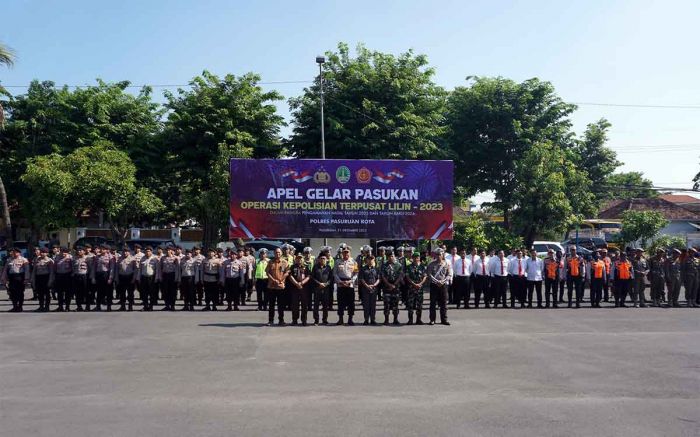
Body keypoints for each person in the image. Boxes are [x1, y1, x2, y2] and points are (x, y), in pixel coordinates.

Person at [1, 247, 30, 312]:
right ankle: (14, 306)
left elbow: (27, 270)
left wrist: (26, 278)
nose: (14, 253)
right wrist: (3, 278)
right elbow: (5, 270)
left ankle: (20, 306)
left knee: (20, 293)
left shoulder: (24, 259)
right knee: (12, 293)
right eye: (14, 252)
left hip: (20, 277)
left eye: (16, 252)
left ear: (19, 253)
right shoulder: (9, 260)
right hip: (12, 278)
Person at [265, 247, 289, 325]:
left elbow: (287, 273)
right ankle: (271, 320)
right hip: (271, 286)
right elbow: (267, 272)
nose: (277, 254)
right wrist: (273, 280)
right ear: (274, 253)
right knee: (271, 305)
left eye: (279, 252)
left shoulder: (285, 262)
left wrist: (281, 280)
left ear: (281, 253)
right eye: (276, 252)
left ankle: (281, 320)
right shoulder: (270, 262)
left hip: (280, 286)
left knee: (281, 305)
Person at [334, 247, 357, 326]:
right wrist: (340, 282)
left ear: (350, 253)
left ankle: (350, 319)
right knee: (340, 303)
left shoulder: (354, 261)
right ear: (342, 253)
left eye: (347, 252)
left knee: (351, 303)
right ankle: (340, 319)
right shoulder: (337, 262)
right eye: (344, 252)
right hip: (341, 284)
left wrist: (350, 281)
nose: (346, 254)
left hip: (350, 284)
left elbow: (356, 273)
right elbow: (335, 273)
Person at [427, 248, 450, 325]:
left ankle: (444, 320)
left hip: (443, 286)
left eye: (440, 254)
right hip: (434, 285)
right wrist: (437, 282)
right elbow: (429, 275)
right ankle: (432, 320)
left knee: (444, 303)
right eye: (437, 254)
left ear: (442, 255)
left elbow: (449, 275)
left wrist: (442, 281)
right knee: (433, 303)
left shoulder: (446, 264)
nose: (438, 256)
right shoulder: (431, 264)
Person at [404, 251, 427, 325]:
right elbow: (407, 277)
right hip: (411, 288)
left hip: (419, 288)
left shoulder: (423, 266)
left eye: (417, 257)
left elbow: (425, 276)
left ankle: (418, 319)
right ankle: (410, 320)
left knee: (419, 305)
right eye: (414, 257)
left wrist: (420, 283)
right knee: (410, 305)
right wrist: (414, 284)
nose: (416, 259)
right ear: (412, 258)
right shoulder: (409, 267)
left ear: (419, 258)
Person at [380, 251, 403, 325]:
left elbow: (400, 275)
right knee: (386, 304)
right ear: (387, 257)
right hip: (386, 287)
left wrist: (394, 285)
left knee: (395, 305)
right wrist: (389, 285)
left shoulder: (398, 265)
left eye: (392, 256)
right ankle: (386, 320)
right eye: (389, 256)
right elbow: (383, 276)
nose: (391, 257)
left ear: (394, 256)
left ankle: (395, 319)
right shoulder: (384, 265)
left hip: (396, 288)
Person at [288, 254, 311, 325]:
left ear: (303, 259)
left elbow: (308, 276)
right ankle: (295, 320)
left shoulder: (306, 267)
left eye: (301, 259)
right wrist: (296, 284)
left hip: (304, 288)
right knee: (295, 305)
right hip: (295, 288)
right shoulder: (292, 267)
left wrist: (302, 283)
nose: (299, 260)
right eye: (298, 258)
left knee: (304, 305)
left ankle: (304, 320)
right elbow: (290, 276)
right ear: (295, 259)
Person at [311, 254, 333, 325]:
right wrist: (319, 284)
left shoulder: (328, 267)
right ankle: (316, 320)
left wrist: (326, 284)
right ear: (319, 259)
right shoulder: (315, 267)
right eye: (321, 258)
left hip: (326, 289)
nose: (323, 260)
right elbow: (312, 278)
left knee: (325, 305)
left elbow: (331, 278)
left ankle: (325, 320)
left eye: (324, 258)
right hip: (317, 289)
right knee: (316, 306)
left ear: (326, 260)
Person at [359, 255, 380, 325]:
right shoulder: (363, 269)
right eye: (369, 259)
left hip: (374, 289)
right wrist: (367, 286)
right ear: (366, 260)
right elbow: (361, 279)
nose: (370, 261)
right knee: (366, 305)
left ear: (374, 260)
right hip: (365, 289)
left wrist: (374, 285)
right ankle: (366, 320)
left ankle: (373, 320)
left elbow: (379, 279)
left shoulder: (376, 269)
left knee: (373, 305)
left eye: (372, 259)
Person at [114, 246, 137, 311]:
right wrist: (117, 278)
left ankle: (130, 306)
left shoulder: (133, 259)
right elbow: (117, 269)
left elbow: (135, 270)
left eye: (127, 251)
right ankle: (123, 306)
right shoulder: (119, 259)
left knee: (130, 293)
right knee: (122, 293)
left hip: (130, 277)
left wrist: (134, 278)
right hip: (121, 277)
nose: (125, 253)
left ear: (129, 252)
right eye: (124, 251)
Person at [136, 246, 158, 311]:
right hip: (143, 277)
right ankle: (145, 306)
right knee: (144, 293)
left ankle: (151, 306)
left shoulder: (155, 259)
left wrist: (157, 278)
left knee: (152, 293)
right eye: (146, 251)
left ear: (151, 251)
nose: (147, 252)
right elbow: (139, 269)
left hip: (151, 278)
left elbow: (157, 270)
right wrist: (138, 278)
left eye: (149, 251)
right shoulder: (142, 259)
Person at [159, 246, 181, 311]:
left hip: (172, 275)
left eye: (169, 250)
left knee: (173, 292)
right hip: (165, 275)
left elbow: (178, 269)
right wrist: (160, 277)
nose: (168, 251)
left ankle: (172, 305)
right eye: (166, 250)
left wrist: (178, 278)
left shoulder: (176, 258)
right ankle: (167, 305)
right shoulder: (163, 258)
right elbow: (160, 268)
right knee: (165, 291)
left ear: (172, 251)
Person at [53, 247, 73, 312]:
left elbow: (73, 267)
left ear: (67, 252)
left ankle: (67, 307)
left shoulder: (70, 258)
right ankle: (60, 306)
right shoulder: (57, 257)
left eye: (65, 252)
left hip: (68, 276)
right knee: (60, 293)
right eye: (62, 252)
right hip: (59, 275)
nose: (63, 253)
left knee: (68, 292)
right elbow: (55, 267)